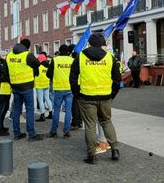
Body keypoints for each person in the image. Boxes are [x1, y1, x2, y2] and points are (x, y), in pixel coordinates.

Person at [70, 33, 121, 164]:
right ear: (102, 44)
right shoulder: (110, 58)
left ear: (90, 43)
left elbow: (73, 77)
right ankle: (114, 149)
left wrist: (77, 94)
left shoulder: (81, 56)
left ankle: (91, 155)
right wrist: (112, 94)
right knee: (106, 121)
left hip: (86, 96)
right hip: (105, 96)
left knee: (90, 125)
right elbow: (117, 78)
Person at [6, 38, 44, 141]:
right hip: (26, 86)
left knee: (16, 109)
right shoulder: (27, 55)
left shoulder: (9, 55)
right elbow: (37, 64)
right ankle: (31, 134)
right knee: (29, 109)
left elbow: (7, 68)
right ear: (28, 46)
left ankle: (17, 133)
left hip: (15, 85)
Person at [46, 44, 74, 138]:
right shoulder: (72, 60)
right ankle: (66, 131)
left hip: (58, 88)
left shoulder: (55, 60)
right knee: (68, 111)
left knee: (57, 110)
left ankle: (53, 131)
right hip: (69, 88)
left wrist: (54, 78)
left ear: (60, 51)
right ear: (68, 52)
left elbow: (48, 74)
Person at [68, 44, 83, 131]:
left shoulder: (72, 60)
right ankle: (80, 121)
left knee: (74, 105)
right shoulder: (81, 59)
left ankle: (75, 122)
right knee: (80, 104)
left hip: (75, 84)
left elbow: (72, 75)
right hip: (82, 84)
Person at [35, 54, 53, 121]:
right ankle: (51, 113)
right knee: (47, 98)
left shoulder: (38, 67)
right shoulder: (48, 66)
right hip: (47, 84)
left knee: (40, 101)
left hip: (39, 85)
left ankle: (42, 115)